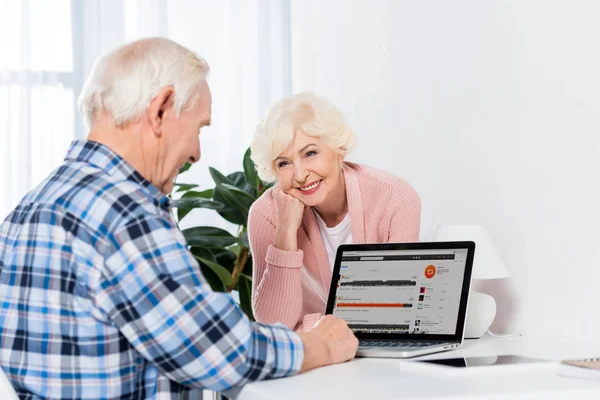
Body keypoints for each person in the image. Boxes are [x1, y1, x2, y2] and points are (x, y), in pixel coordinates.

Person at [0, 38, 358, 399]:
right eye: (199, 128)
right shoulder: (123, 212)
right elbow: (215, 349)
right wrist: (321, 346)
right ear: (161, 109)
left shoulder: (28, 209)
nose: (197, 154)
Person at [248, 91, 421, 331]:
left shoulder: (395, 198)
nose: (299, 175)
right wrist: (286, 232)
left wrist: (314, 325)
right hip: (312, 362)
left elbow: (395, 311)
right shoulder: (266, 214)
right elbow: (273, 327)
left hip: (383, 358)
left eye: (310, 153)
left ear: (338, 150)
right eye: (284, 163)